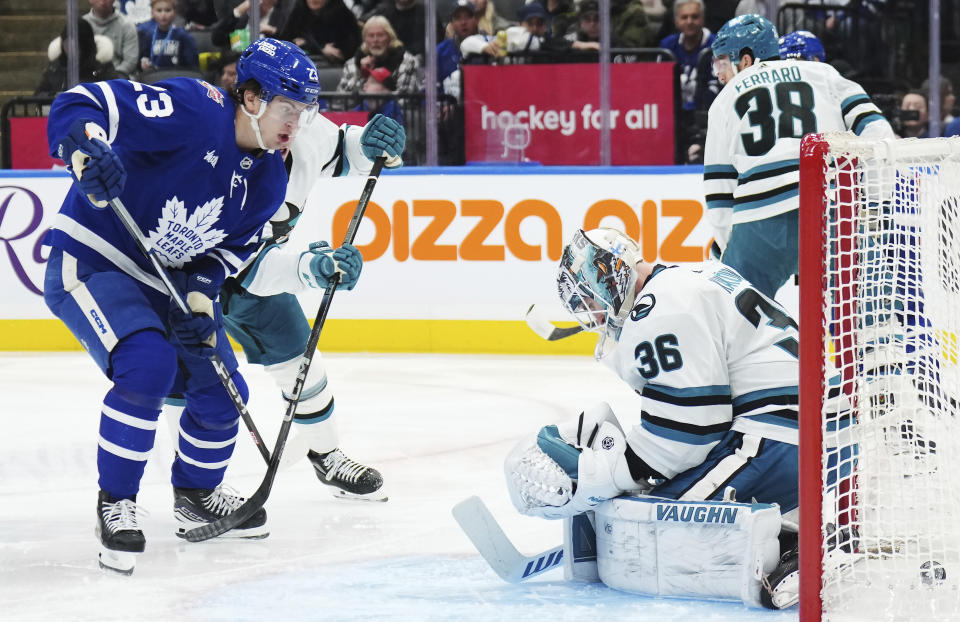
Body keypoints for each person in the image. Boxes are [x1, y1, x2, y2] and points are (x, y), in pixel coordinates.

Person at [40, 38, 329, 575]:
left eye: (305, 111)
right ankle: (116, 502)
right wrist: (85, 151)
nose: (296, 122)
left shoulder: (269, 180)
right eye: (288, 106)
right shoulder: (196, 109)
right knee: (149, 365)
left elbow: (221, 254)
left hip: (167, 283)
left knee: (223, 387)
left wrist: (199, 299)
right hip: (94, 257)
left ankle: (196, 493)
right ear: (250, 96)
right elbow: (81, 104)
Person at [503, 227, 801, 608]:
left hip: (779, 438)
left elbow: (689, 433)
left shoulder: (660, 307)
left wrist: (609, 474)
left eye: (591, 300)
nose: (594, 314)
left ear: (610, 276)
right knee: (644, 504)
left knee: (647, 529)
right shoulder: (688, 278)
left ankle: (797, 546)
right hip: (805, 430)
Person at [703, 14, 894, 300]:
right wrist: (876, 203)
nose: (719, 73)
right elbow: (877, 130)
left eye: (721, 62)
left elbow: (719, 188)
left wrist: (727, 246)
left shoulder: (723, 100)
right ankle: (875, 341)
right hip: (829, 209)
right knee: (872, 307)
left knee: (738, 321)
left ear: (745, 59)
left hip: (758, 222)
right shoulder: (825, 74)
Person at [336, 16, 422, 95]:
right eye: (370, 36)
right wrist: (361, 76)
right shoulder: (351, 64)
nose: (375, 40)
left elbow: (403, 102)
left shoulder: (407, 62)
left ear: (390, 38)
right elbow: (341, 102)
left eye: (380, 35)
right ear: (364, 40)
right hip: (361, 111)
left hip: (392, 111)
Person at [35, 19, 122, 97]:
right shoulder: (54, 68)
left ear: (85, 45)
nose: (70, 48)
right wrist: (56, 96)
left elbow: (115, 94)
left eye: (75, 44)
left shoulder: (102, 68)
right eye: (66, 43)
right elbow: (38, 94)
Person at [278, 0, 361, 66]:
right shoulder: (299, 10)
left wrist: (306, 42)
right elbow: (285, 40)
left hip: (334, 67)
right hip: (298, 63)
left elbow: (344, 51)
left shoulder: (342, 14)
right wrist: (320, 47)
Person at [137, 0, 200, 72]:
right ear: (152, 13)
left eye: (168, 10)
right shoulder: (148, 35)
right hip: (154, 77)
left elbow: (193, 67)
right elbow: (142, 60)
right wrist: (144, 63)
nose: (163, 14)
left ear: (175, 12)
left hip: (177, 77)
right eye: (159, 10)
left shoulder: (184, 36)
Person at [83, 0, 140, 78]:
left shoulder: (127, 25)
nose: (102, 1)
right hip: (87, 78)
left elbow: (130, 61)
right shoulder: (81, 25)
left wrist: (112, 76)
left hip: (118, 77)